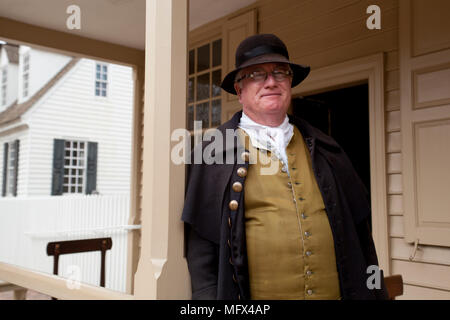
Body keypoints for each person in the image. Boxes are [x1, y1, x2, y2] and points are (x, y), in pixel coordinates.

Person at [181, 34, 388, 300]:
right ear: (239, 89)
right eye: (257, 74)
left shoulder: (327, 148)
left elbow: (362, 238)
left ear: (290, 82)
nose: (271, 82)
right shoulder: (213, 152)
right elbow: (202, 253)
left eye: (280, 72)